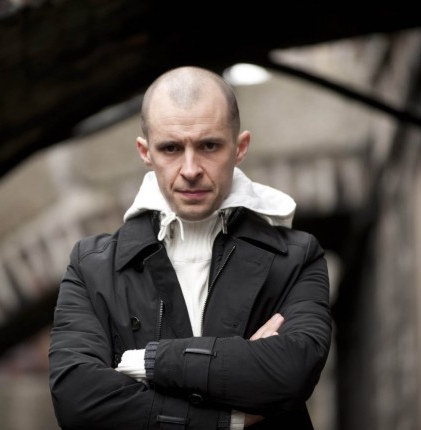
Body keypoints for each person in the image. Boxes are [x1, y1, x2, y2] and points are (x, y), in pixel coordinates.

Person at [48, 66, 332, 429]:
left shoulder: (297, 257)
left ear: (240, 147)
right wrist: (227, 419)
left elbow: (291, 372)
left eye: (209, 145)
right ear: (145, 152)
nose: (191, 168)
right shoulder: (92, 267)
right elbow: (77, 400)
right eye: (170, 148)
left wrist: (148, 363)